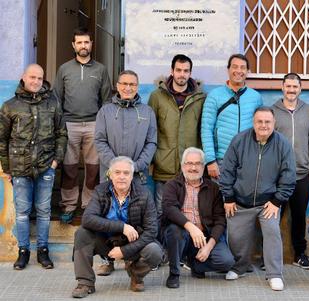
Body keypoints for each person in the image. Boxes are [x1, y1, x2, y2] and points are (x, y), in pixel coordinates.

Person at [220, 107, 296, 291]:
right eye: (259, 122)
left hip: (267, 203)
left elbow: (288, 176)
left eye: (267, 122)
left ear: (274, 123)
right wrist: (228, 196)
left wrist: (277, 200)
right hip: (239, 200)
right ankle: (240, 267)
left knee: (272, 233)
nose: (263, 125)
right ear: (253, 123)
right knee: (237, 238)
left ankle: (274, 274)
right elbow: (227, 170)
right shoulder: (239, 140)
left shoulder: (283, 144)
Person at [0, 64, 67, 270]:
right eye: (32, 77)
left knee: (44, 211)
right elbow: (2, 140)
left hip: (46, 166)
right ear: (23, 77)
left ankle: (43, 251)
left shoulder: (53, 103)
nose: (36, 81)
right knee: (22, 212)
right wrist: (7, 168)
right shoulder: (10, 106)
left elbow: (62, 134)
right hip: (19, 168)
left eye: (39, 78)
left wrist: (55, 161)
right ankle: (23, 252)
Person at [71, 156, 163, 298]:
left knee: (155, 251)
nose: (122, 177)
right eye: (117, 172)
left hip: (133, 243)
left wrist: (124, 251)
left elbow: (151, 231)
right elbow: (87, 219)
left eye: (126, 173)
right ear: (110, 174)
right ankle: (85, 283)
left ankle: (136, 276)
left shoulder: (144, 194)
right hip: (106, 242)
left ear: (132, 176)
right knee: (82, 233)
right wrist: (122, 227)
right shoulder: (101, 190)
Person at [94, 69, 157, 275]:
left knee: (134, 218)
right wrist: (116, 167)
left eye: (132, 84)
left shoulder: (147, 112)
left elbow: (151, 142)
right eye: (124, 84)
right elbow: (100, 140)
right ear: (117, 86)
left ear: (137, 87)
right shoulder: (105, 111)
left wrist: (137, 166)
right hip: (111, 174)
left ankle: (132, 258)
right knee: (109, 215)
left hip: (137, 174)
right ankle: (108, 259)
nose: (128, 88)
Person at [54, 27, 112, 224]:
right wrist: (60, 124)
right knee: (69, 167)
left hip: (94, 124)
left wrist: (103, 124)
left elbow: (106, 100)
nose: (83, 46)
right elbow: (56, 98)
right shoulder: (64, 69)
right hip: (69, 124)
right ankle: (69, 205)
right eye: (79, 42)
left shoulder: (101, 69)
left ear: (91, 44)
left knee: (93, 168)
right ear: (73, 45)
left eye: (86, 42)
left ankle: (89, 205)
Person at [162, 147, 234, 288]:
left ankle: (195, 264)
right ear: (183, 166)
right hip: (181, 234)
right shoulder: (172, 185)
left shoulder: (213, 188)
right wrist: (191, 227)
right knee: (175, 231)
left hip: (204, 237)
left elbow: (220, 219)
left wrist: (209, 246)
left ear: (203, 166)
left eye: (198, 163)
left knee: (227, 262)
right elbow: (169, 210)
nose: (193, 168)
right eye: (189, 163)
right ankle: (174, 273)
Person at [272, 72, 309, 269]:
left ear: (300, 89)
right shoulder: (273, 111)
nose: (291, 90)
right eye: (288, 86)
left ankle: (300, 254)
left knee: (299, 216)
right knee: (272, 216)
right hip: (278, 175)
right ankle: (270, 256)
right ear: (282, 88)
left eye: (295, 87)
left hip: (302, 173)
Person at [148, 54, 206, 217]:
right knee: (161, 210)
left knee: (189, 210)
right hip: (164, 164)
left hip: (190, 166)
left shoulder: (200, 98)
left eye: (186, 71)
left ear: (190, 73)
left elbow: (203, 130)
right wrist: (154, 158)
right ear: (172, 71)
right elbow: (151, 130)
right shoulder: (157, 96)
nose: (182, 74)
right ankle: (158, 243)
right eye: (178, 70)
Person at [201, 53, 263, 180]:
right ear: (228, 69)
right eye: (235, 67)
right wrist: (210, 160)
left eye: (242, 67)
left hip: (249, 159)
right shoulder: (214, 95)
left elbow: (261, 128)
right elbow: (206, 128)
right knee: (221, 198)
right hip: (221, 160)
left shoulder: (256, 97)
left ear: (248, 71)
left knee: (245, 198)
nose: (238, 71)